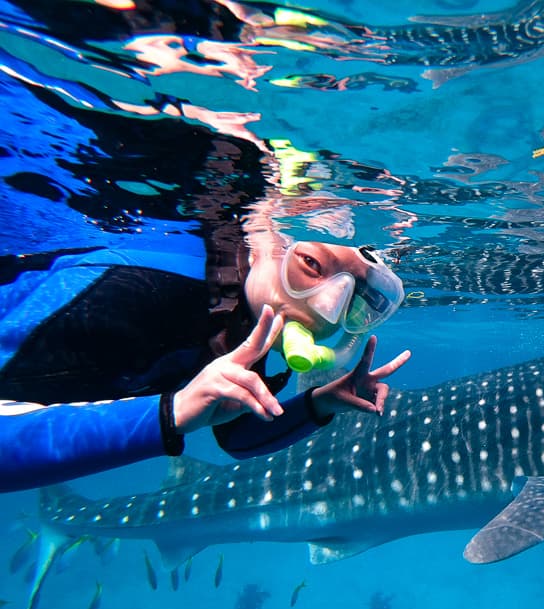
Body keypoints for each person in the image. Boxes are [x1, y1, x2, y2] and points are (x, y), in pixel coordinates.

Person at [0, 37, 410, 493]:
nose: (326, 305)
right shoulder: (141, 292)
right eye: (312, 265)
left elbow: (235, 434)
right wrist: (171, 413)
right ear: (270, 246)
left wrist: (319, 405)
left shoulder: (245, 326)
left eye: (354, 304)